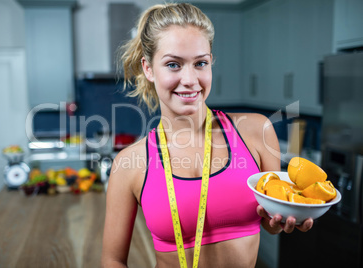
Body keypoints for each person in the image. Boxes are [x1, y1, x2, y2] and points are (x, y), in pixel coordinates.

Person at [101, 3, 313, 267]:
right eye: (173, 65)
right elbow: (112, 260)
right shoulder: (129, 164)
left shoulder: (257, 132)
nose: (190, 79)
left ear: (211, 62)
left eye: (200, 63)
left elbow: (270, 225)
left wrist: (285, 218)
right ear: (148, 68)